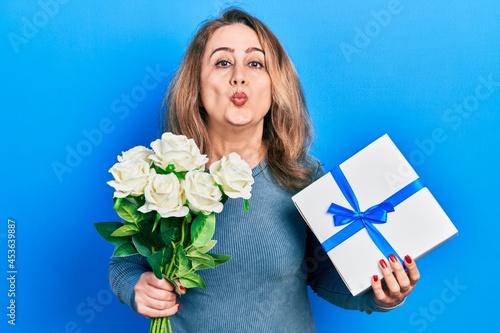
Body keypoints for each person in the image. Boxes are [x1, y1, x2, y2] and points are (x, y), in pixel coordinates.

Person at [108, 8, 420, 332]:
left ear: (275, 87)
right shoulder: (163, 179)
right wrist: (137, 288)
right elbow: (125, 266)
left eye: (255, 63)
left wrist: (379, 295)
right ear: (196, 87)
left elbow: (322, 273)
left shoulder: (304, 179)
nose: (238, 76)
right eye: (222, 62)